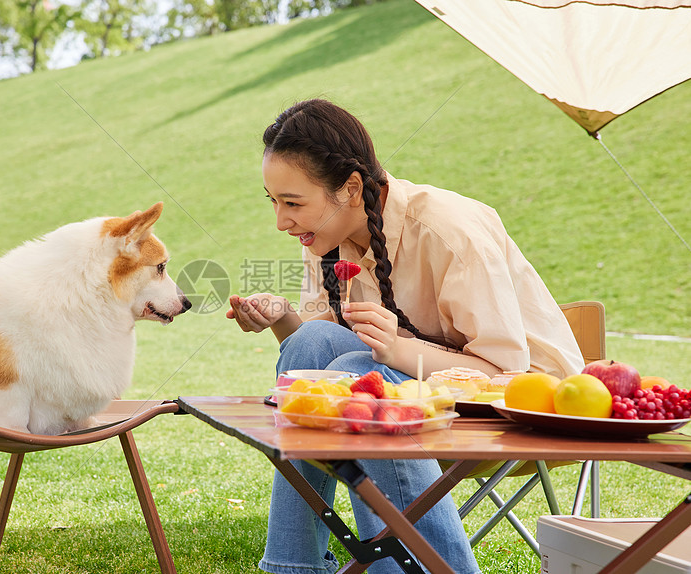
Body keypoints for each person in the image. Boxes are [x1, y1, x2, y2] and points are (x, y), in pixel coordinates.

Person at [226, 98, 584, 574]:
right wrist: (282, 320)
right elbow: (318, 357)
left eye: (293, 203)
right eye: (273, 201)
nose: (280, 221)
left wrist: (396, 350)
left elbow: (506, 373)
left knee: (360, 373)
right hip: (413, 393)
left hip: (525, 402)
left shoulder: (449, 231)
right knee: (313, 345)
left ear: (350, 188)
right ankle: (295, 567)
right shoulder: (327, 240)